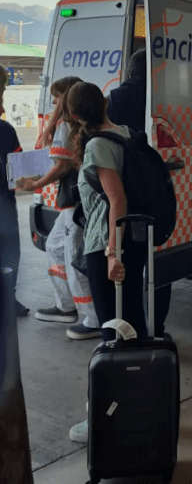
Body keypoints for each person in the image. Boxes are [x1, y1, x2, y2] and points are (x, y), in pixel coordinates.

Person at [66, 80, 150, 443]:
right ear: (103, 103)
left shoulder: (98, 145)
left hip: (107, 245)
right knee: (133, 327)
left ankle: (107, 417)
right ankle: (145, 408)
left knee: (112, 334)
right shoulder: (125, 133)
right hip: (131, 240)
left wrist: (112, 254)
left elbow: (117, 201)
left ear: (73, 115)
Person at [18, 77, 101, 340]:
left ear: (66, 97)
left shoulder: (65, 125)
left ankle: (92, 318)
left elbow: (61, 165)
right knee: (55, 247)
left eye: (56, 95)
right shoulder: (85, 123)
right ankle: (66, 305)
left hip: (73, 203)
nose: (53, 101)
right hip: (77, 201)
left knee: (74, 258)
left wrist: (34, 183)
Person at [107, 48, 172, 338]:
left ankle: (132, 330)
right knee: (159, 261)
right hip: (156, 188)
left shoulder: (116, 98)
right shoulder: (165, 97)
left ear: (131, 70)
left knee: (132, 264)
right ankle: (157, 329)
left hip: (126, 187)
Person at [0, 63, 29, 317]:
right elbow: (20, 174)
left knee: (10, 253)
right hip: (5, 206)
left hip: (5, 204)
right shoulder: (5, 130)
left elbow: (19, 171)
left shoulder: (6, 130)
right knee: (9, 252)